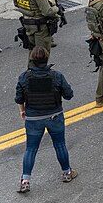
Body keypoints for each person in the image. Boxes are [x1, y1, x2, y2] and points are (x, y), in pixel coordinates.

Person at [15, 47, 77, 193]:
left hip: (33, 118)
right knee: (60, 145)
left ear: (32, 60)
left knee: (31, 149)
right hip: (54, 116)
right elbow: (69, 95)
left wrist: (23, 111)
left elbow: (19, 98)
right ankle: (67, 172)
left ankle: (25, 180)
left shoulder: (24, 77)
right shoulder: (56, 76)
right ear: (47, 59)